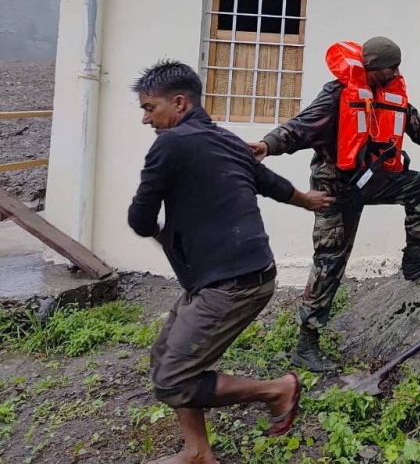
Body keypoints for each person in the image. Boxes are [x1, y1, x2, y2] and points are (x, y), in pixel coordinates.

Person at [128, 60, 334, 464]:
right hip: (231, 276)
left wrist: (164, 235)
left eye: (149, 108)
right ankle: (198, 451)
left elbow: (140, 219)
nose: (145, 119)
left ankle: (277, 390)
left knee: (172, 381)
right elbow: (269, 183)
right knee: (165, 356)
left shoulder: (170, 144)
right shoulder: (226, 140)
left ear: (180, 103)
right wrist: (306, 200)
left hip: (232, 284)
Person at [249, 37, 420, 373]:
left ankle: (414, 257)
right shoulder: (337, 94)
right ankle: (306, 344)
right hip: (333, 189)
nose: (398, 72)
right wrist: (267, 145)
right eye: (393, 66)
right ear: (374, 68)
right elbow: (300, 127)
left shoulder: (388, 89)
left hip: (370, 180)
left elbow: (411, 120)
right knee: (330, 261)